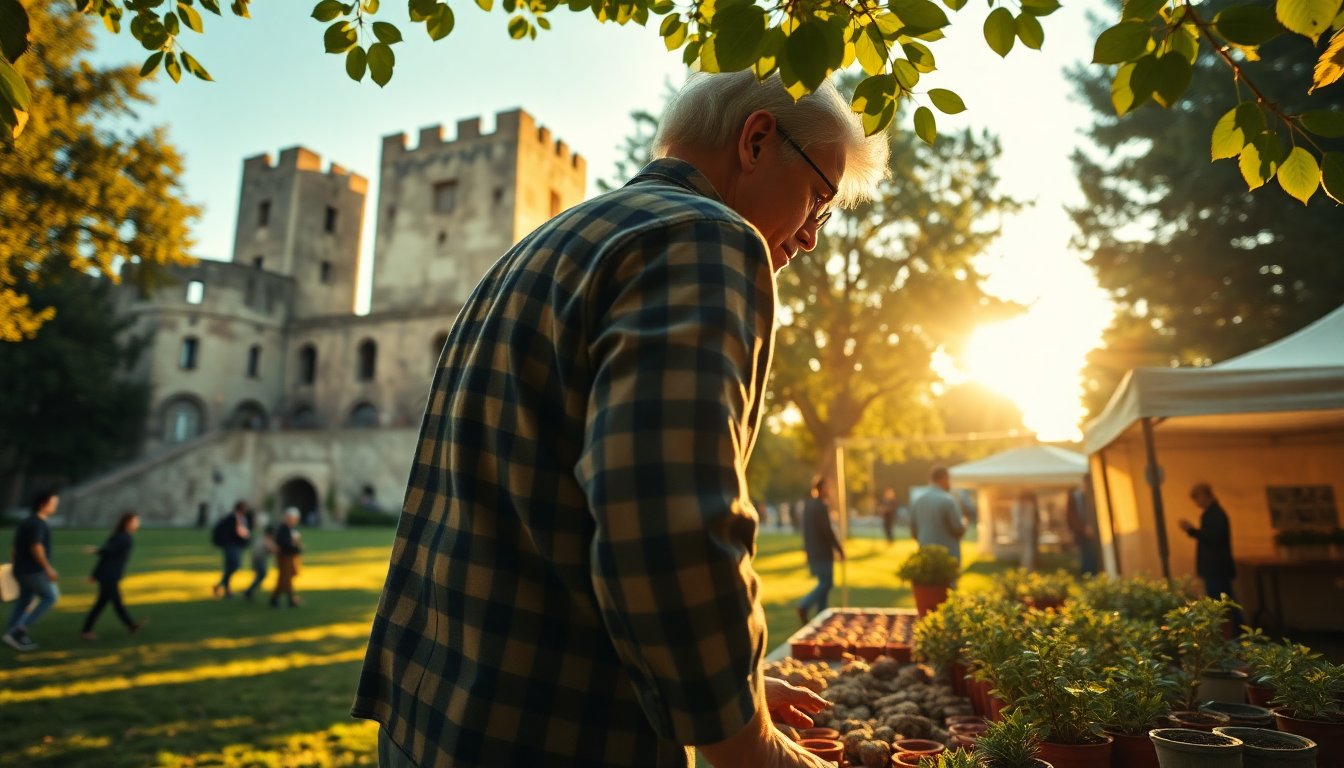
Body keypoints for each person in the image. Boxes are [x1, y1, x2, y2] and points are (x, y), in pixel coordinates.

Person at [353, 69, 888, 768]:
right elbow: (668, 525)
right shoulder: (708, 237)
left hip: (431, 721)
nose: (813, 237)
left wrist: (740, 689)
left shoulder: (535, 250)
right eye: (819, 197)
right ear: (757, 140)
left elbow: (547, 519)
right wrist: (747, 745)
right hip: (559, 733)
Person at [1179, 482, 1242, 628]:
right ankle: (1237, 633)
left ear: (1207, 496)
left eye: (1197, 498)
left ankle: (1235, 634)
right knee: (1226, 603)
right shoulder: (1212, 514)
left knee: (1222, 604)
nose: (1196, 502)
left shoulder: (1216, 514)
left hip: (1216, 567)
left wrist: (1191, 530)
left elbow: (1213, 538)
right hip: (1216, 567)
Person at [4, 490, 61, 652]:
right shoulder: (37, 523)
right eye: (53, 503)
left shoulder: (27, 522)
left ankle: (12, 633)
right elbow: (36, 547)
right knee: (50, 597)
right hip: (33, 571)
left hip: (22, 570)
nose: (55, 507)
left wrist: (16, 565)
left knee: (24, 601)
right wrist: (48, 568)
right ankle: (18, 631)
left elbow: (14, 549)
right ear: (43, 504)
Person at [80, 511, 145, 639]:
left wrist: (95, 574)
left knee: (106, 603)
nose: (138, 524)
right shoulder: (124, 537)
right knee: (113, 603)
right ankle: (86, 631)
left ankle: (130, 625)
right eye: (135, 521)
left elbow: (106, 555)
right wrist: (96, 550)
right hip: (109, 575)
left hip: (108, 575)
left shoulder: (120, 536)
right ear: (128, 523)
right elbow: (108, 552)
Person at [796, 477, 845, 625]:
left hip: (813, 551)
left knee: (824, 584)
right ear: (821, 488)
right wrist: (839, 548)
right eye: (828, 488)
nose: (830, 491)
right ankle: (804, 605)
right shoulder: (820, 506)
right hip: (822, 552)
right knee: (827, 583)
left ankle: (821, 618)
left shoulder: (809, 505)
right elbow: (827, 531)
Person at [910, 467, 969, 564]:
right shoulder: (948, 500)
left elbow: (913, 531)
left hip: (925, 552)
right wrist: (965, 522)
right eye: (949, 480)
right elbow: (958, 529)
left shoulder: (918, 500)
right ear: (944, 478)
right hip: (947, 556)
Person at [212, 501, 252, 598]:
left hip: (236, 545)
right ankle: (222, 586)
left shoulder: (241, 518)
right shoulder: (232, 517)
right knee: (233, 566)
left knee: (230, 567)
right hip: (231, 545)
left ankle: (226, 590)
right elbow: (234, 531)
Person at [1064, 478, 1100, 575]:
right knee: (1086, 554)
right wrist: (1083, 528)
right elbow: (1071, 516)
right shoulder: (1075, 497)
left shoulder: (1093, 495)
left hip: (1094, 531)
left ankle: (1092, 574)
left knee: (1093, 554)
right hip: (1081, 532)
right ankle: (1087, 574)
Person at [271, 508, 303, 608]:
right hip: (285, 557)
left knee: (284, 579)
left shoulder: (289, 529)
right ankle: (289, 599)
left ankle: (276, 598)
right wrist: (294, 546)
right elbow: (284, 544)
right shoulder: (283, 529)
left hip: (289, 556)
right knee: (285, 579)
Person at [244, 522, 277, 601]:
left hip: (257, 559)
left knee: (260, 576)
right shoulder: (266, 539)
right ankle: (250, 591)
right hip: (259, 559)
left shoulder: (261, 538)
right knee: (261, 575)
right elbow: (272, 549)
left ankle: (250, 591)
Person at [1017, 490, 1040, 572]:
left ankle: (1027, 564)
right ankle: (1027, 565)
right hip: (1027, 529)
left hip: (1028, 529)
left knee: (1028, 548)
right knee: (1028, 548)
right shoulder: (1026, 505)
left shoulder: (1026, 505)